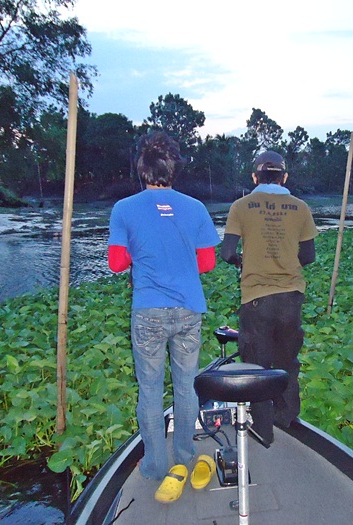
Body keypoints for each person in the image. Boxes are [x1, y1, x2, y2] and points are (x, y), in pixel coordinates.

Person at [108, 131, 220, 502]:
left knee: (151, 389)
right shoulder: (196, 208)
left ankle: (156, 464)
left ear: (143, 170)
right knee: (185, 385)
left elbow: (115, 263)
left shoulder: (124, 209)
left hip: (149, 313)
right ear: (174, 169)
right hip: (189, 310)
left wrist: (143, 253)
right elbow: (207, 263)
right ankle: (185, 456)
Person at [220, 150, 318, 444]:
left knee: (258, 367)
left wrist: (243, 262)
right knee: (287, 361)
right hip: (291, 297)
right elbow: (309, 256)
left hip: (256, 298)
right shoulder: (300, 208)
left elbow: (226, 253)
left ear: (255, 177)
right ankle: (287, 422)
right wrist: (285, 262)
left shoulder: (241, 206)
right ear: (284, 177)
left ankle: (263, 431)